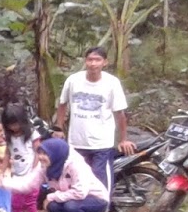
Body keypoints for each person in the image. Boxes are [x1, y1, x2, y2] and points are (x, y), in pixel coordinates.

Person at [2, 135, 109, 212]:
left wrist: (52, 196)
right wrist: (2, 182)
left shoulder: (76, 166)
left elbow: (80, 193)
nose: (41, 157)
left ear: (56, 154)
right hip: (70, 198)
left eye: (45, 154)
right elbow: (27, 185)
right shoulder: (45, 167)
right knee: (53, 206)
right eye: (40, 153)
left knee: (70, 206)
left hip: (96, 200)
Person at [55, 46, 134, 189]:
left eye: (97, 60)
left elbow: (119, 113)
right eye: (90, 60)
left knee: (100, 182)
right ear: (85, 61)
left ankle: (103, 204)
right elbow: (62, 104)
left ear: (105, 62)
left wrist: (123, 139)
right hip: (76, 142)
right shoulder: (73, 81)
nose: (93, 64)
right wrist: (58, 128)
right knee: (77, 181)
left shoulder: (112, 83)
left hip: (101, 144)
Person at [0, 105, 42, 212]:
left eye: (16, 124)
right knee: (16, 202)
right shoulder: (9, 137)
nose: (14, 127)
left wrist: (34, 170)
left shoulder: (32, 134)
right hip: (17, 174)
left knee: (30, 202)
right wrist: (2, 171)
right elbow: (7, 154)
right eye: (10, 125)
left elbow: (38, 153)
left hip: (31, 174)